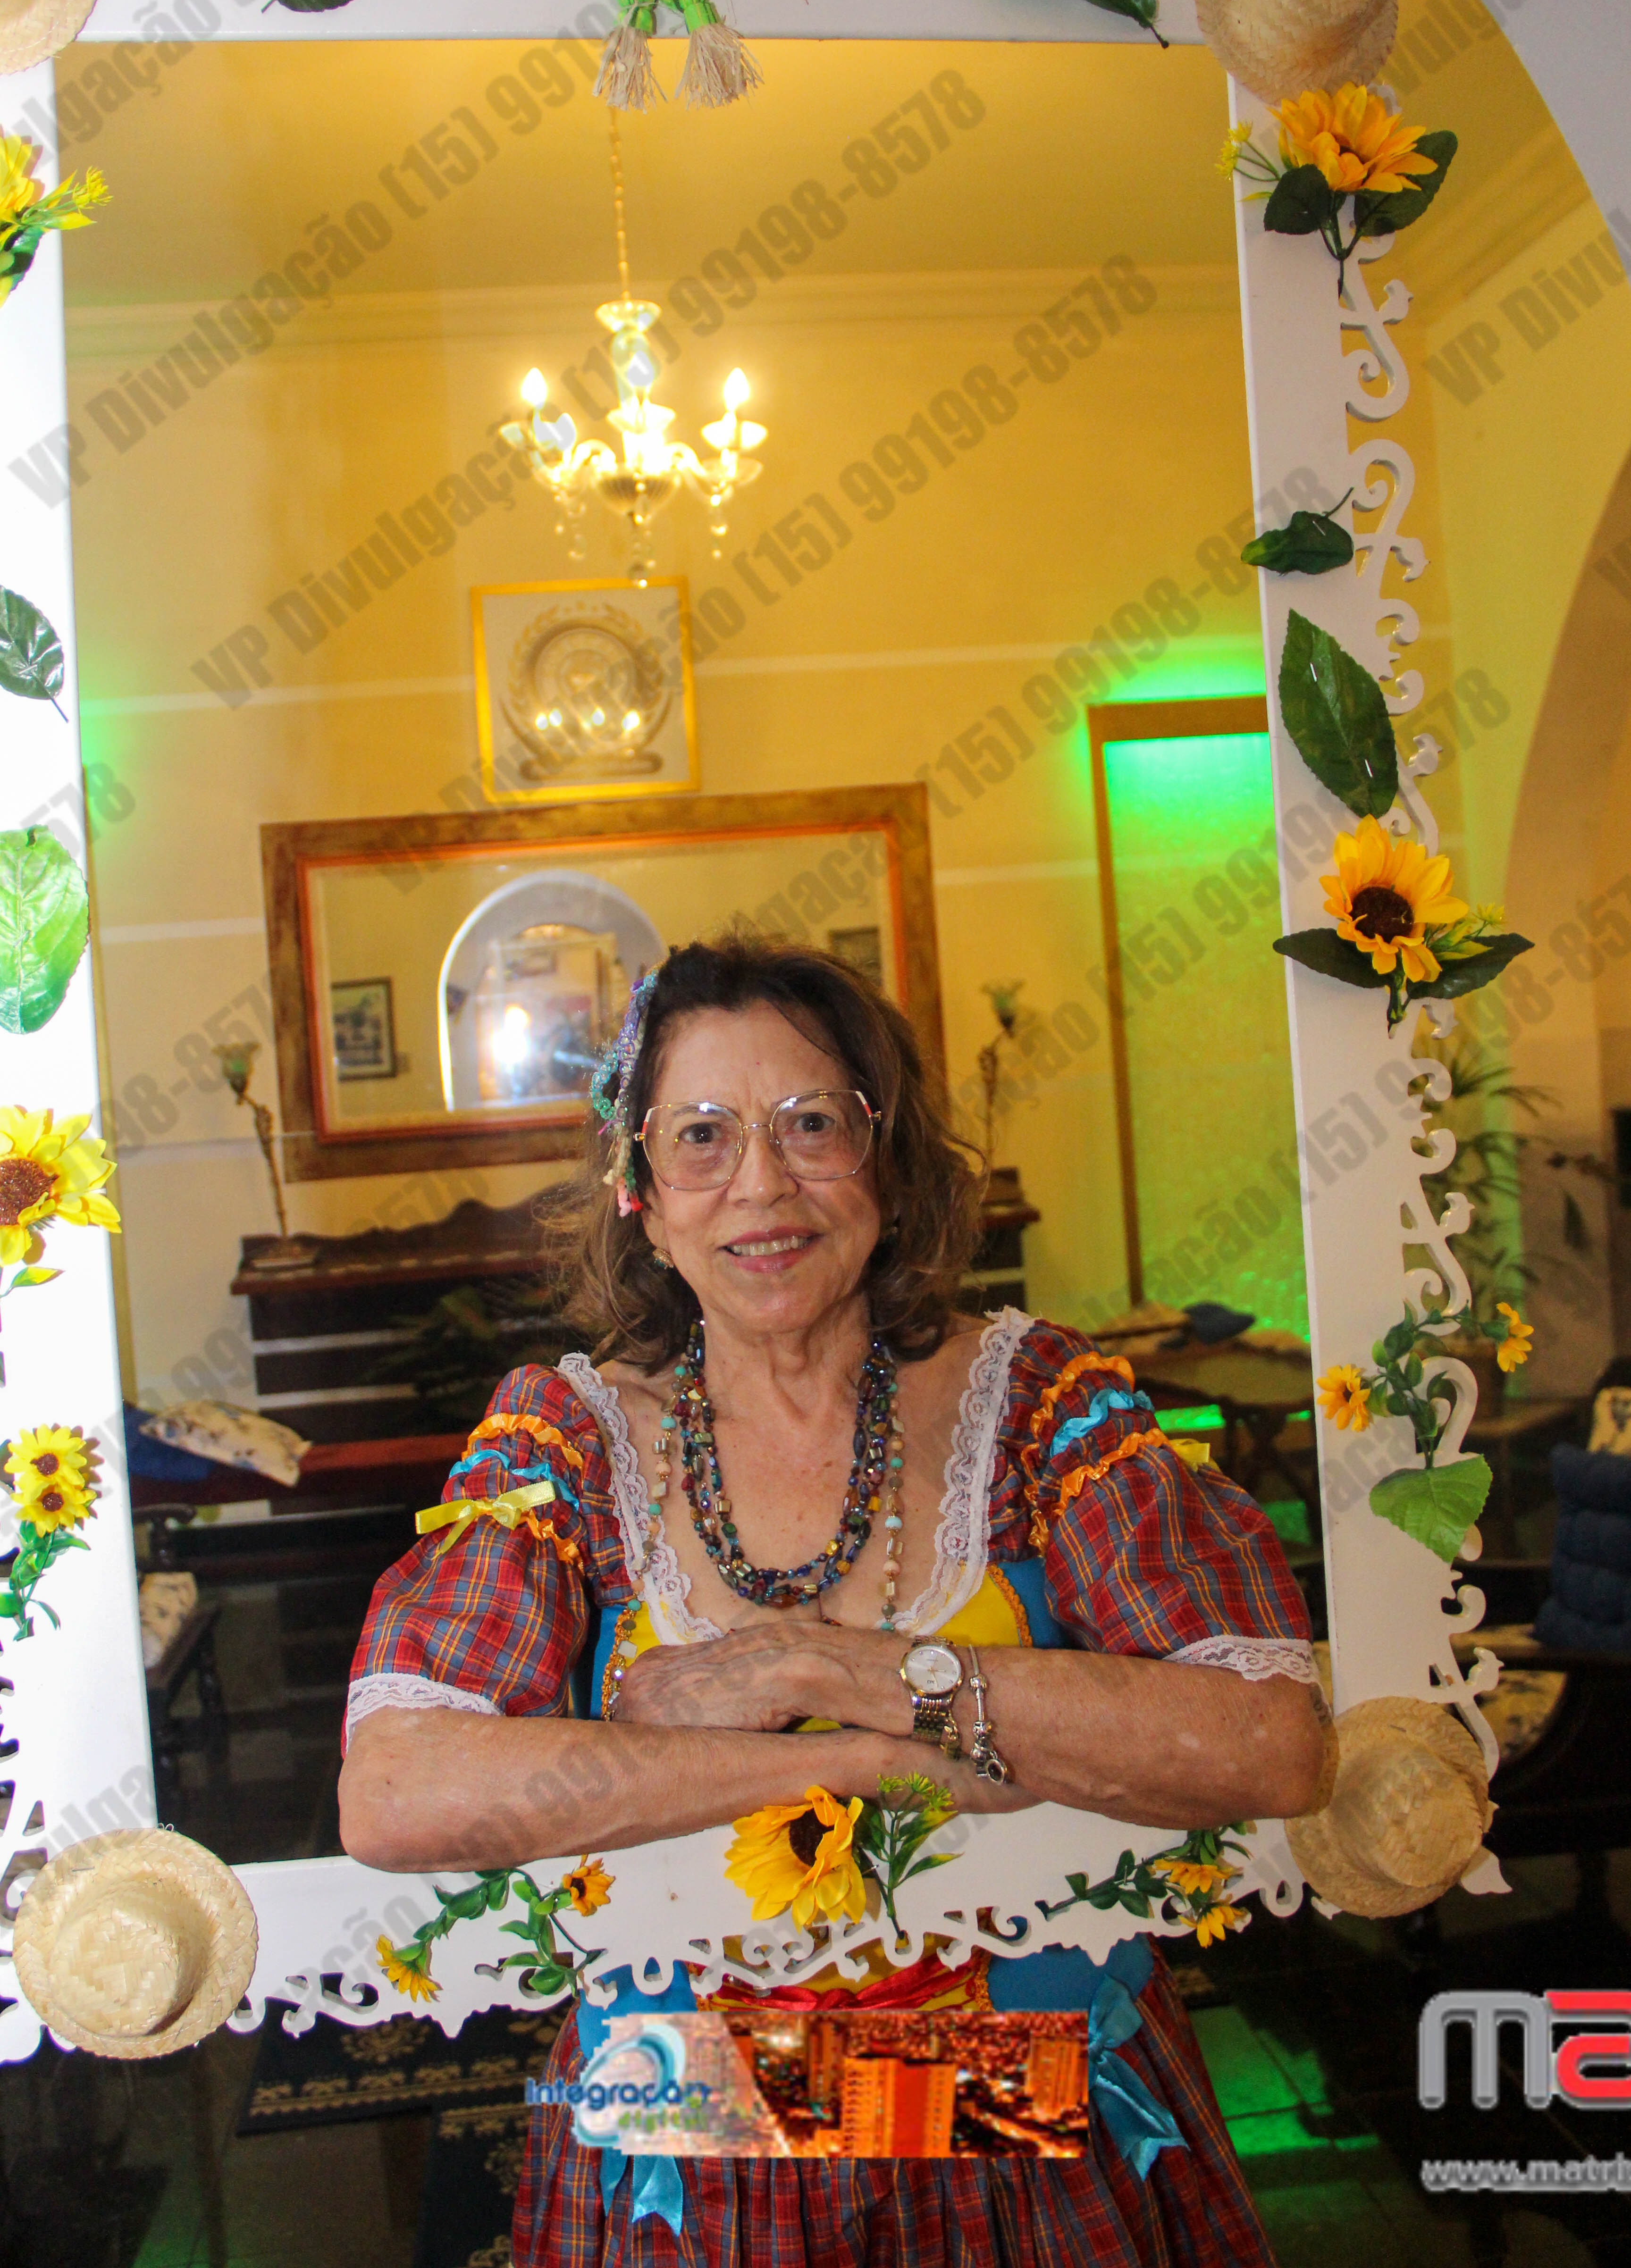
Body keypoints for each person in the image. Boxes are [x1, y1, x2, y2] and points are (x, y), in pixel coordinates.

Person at [340, 934, 1326, 2266]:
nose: (762, 1183)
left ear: (888, 1161)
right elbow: (398, 1792)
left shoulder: (1039, 1404)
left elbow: (1268, 1741)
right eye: (700, 1136)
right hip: (695, 2131)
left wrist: (832, 1672)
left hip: (1036, 2107)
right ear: (642, 1193)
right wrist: (868, 1762)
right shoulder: (568, 1441)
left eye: (812, 1123)